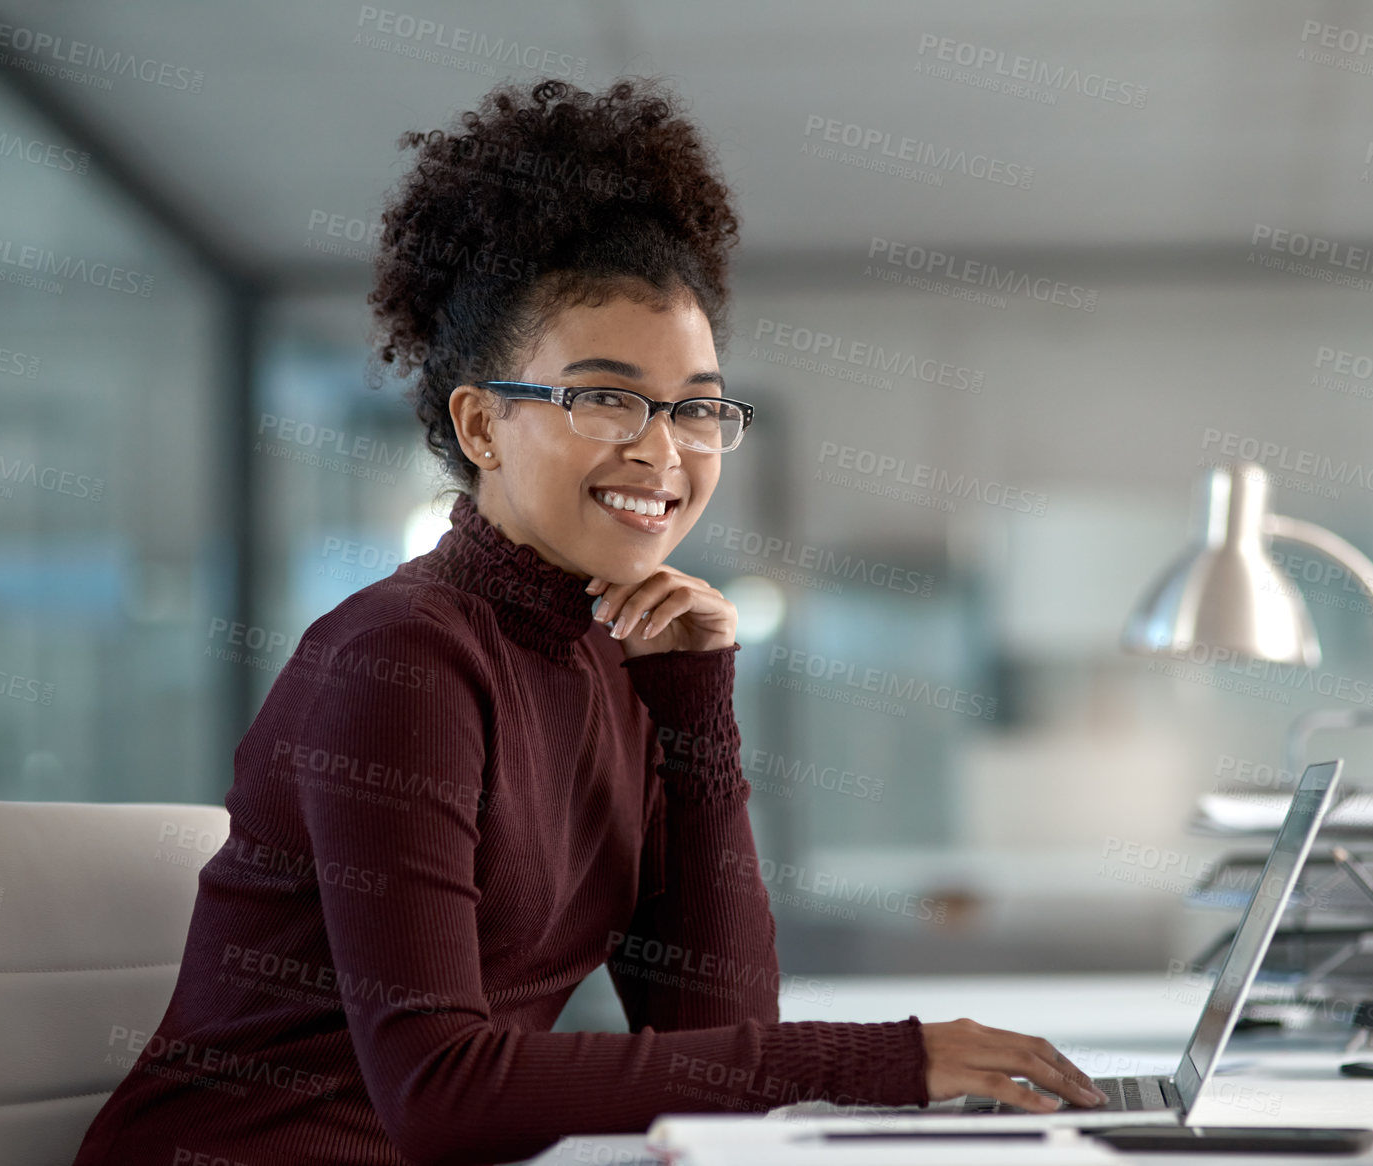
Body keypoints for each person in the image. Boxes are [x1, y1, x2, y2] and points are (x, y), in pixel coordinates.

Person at [72, 75, 1102, 1166]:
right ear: (481, 422)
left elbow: (706, 1037)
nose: (662, 449)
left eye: (697, 406)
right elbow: (440, 1088)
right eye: (605, 397)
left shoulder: (623, 659)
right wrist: (881, 1059)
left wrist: (696, 711)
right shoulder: (402, 658)